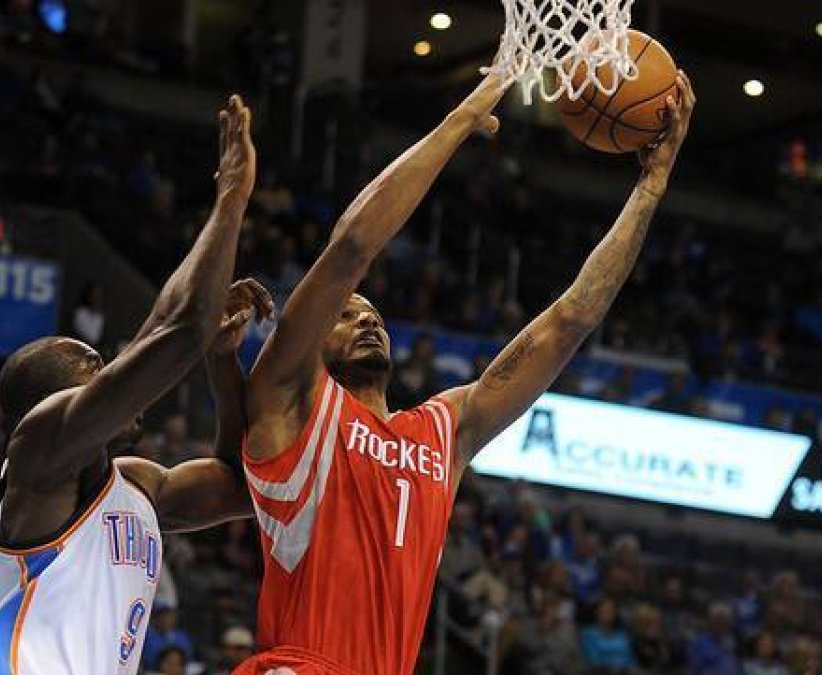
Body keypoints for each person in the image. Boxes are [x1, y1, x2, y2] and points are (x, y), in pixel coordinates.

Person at [234, 54, 695, 675]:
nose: (365, 318)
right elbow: (350, 249)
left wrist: (651, 188)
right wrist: (461, 120)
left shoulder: (443, 430)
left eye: (370, 312)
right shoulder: (290, 399)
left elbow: (570, 323)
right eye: (344, 315)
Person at [0, 95, 265, 675]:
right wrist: (232, 197)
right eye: (92, 371)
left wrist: (222, 363)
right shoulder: (36, 454)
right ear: (51, 402)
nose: (110, 374)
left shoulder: (138, 486)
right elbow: (176, 334)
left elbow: (242, 483)